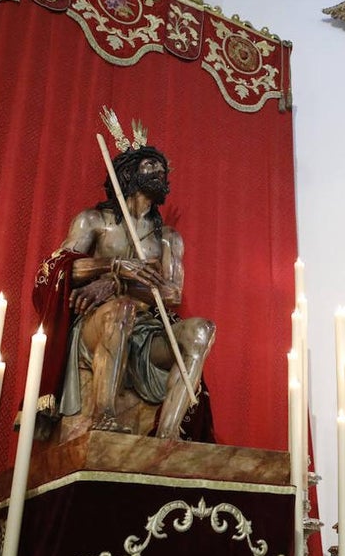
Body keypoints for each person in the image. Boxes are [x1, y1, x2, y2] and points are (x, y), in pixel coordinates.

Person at [33, 138, 216, 441]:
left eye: (162, 169)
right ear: (128, 175)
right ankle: (104, 417)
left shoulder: (168, 238)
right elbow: (61, 268)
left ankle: (168, 433)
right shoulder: (93, 221)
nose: (160, 173)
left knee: (202, 330)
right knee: (121, 309)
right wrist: (114, 264)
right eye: (150, 166)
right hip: (97, 325)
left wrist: (118, 283)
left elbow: (172, 294)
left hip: (146, 330)